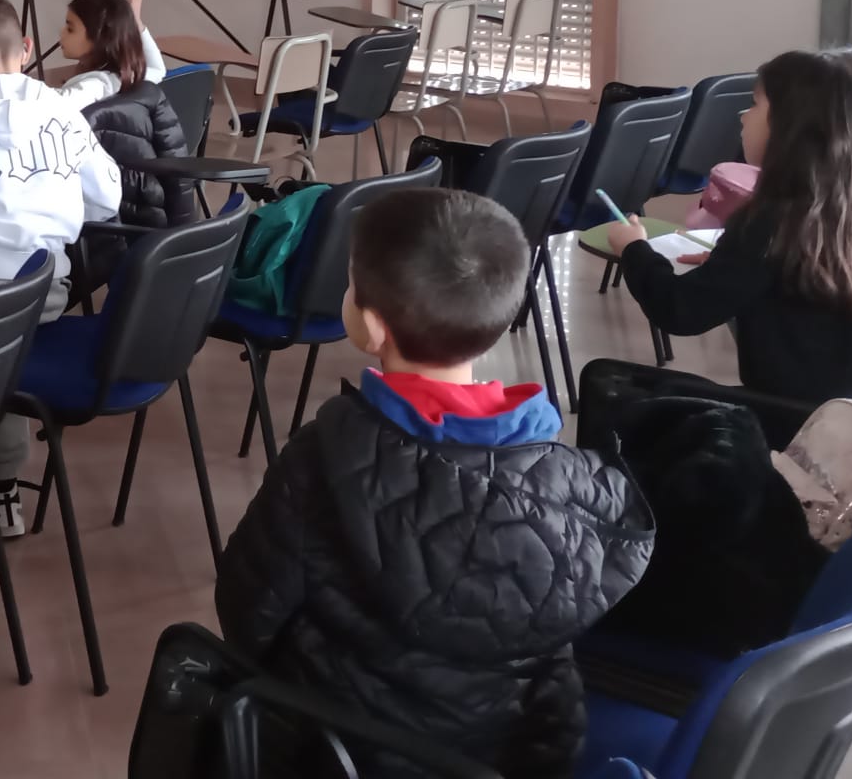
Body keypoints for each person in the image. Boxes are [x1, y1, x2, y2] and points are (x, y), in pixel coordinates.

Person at [216, 188, 654, 779]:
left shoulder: (324, 457)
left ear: (372, 327)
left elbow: (248, 613)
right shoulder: (566, 470)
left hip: (338, 749)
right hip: (508, 753)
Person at [606, 49, 852, 406]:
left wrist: (634, 250)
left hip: (789, 425)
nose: (743, 117)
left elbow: (680, 310)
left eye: (754, 105)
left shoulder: (773, 221)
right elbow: (801, 287)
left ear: (791, 127)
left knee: (612, 384)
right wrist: (726, 266)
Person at [0, 0, 121, 540]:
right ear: (29, 48)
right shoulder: (62, 109)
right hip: (44, 295)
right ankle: (4, 489)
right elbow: (107, 198)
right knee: (4, 349)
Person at [57, 0, 166, 106]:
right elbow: (158, 70)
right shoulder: (125, 78)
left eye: (70, 29)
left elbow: (55, 105)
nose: (61, 32)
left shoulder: (97, 86)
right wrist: (137, 23)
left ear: (100, 38)